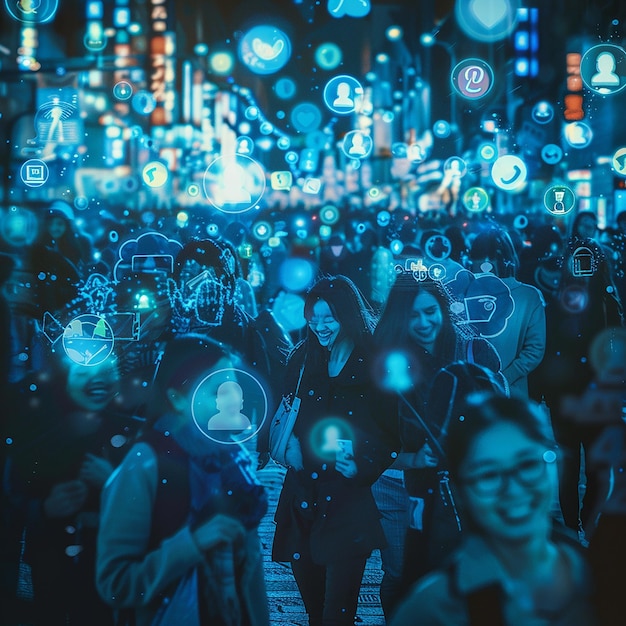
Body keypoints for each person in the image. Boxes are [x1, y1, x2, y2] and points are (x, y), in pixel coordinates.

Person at [96, 334, 269, 626]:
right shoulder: (146, 462)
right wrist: (192, 543)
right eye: (217, 390)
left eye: (233, 385)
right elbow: (116, 584)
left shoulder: (234, 460)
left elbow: (250, 575)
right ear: (177, 398)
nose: (233, 398)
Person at [390, 393, 597, 626]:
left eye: (528, 464)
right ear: (461, 490)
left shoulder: (606, 576)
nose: (513, 489)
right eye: (488, 475)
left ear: (555, 465)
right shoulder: (429, 612)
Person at [371, 275, 504, 617]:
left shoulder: (475, 352)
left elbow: (504, 418)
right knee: (403, 572)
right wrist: (412, 458)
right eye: (413, 315)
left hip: (467, 485)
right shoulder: (388, 363)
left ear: (444, 309)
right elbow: (374, 434)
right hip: (402, 486)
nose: (423, 323)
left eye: (430, 311)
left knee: (465, 568)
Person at [271, 275, 396, 626]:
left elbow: (391, 430)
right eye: (314, 318)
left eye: (329, 318)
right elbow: (285, 408)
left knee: (337, 613)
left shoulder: (372, 362)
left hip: (347, 499)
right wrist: (291, 443)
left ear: (348, 315)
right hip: (301, 494)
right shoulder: (301, 357)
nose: (320, 327)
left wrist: (363, 461)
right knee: (314, 610)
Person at [2, 352, 137, 626]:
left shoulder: (135, 433)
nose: (97, 381)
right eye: (83, 372)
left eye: (106, 371)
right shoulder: (35, 433)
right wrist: (43, 509)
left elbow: (160, 510)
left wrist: (112, 483)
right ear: (64, 379)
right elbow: (9, 501)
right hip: (49, 573)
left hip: (111, 574)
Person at [469, 227, 546, 397]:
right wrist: (504, 378)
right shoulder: (529, 295)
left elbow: (534, 349)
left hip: (485, 391)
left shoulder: (528, 296)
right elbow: (534, 350)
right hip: (510, 391)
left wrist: (500, 378)